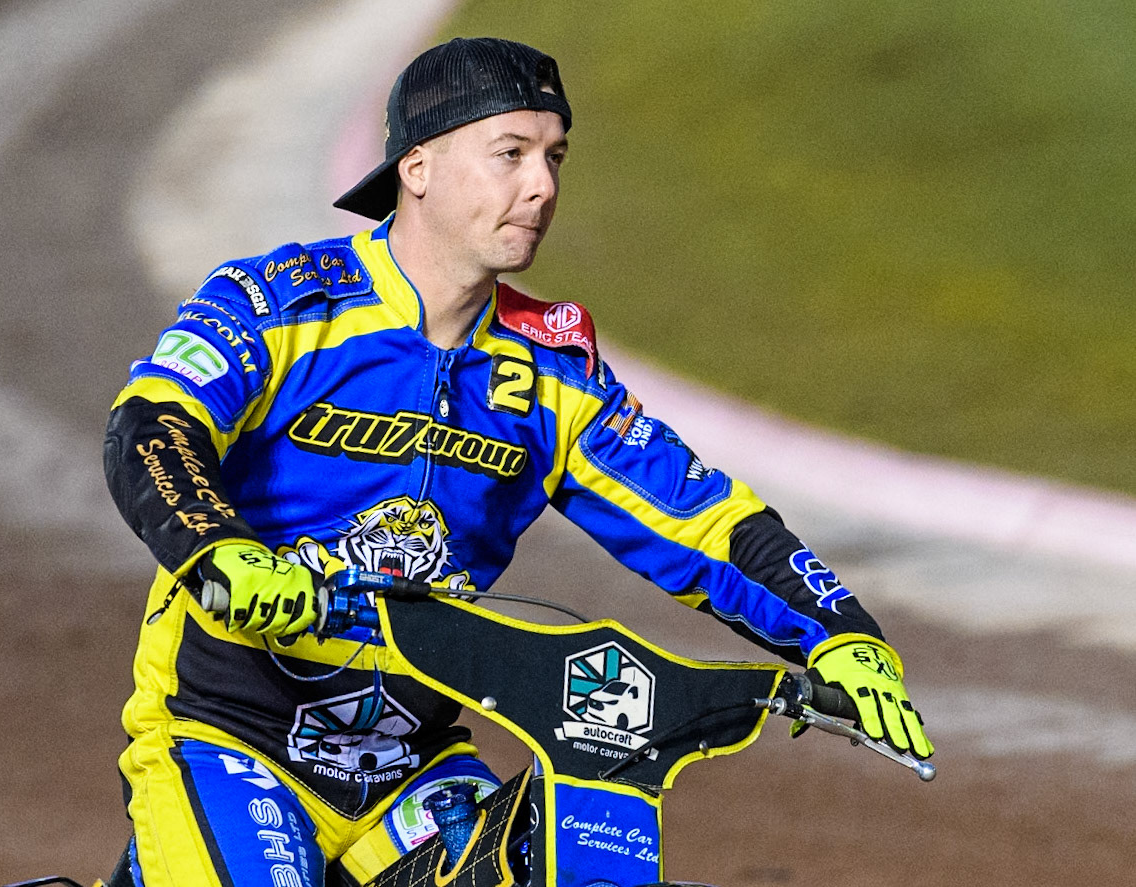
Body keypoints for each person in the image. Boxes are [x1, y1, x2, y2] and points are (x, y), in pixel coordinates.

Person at [103, 36, 933, 887]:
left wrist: (841, 635)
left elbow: (704, 521)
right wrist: (220, 550)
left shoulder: (553, 370)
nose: (542, 186)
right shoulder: (276, 302)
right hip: (225, 735)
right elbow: (151, 427)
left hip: (415, 771)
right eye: (510, 154)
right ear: (417, 166)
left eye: (554, 157)